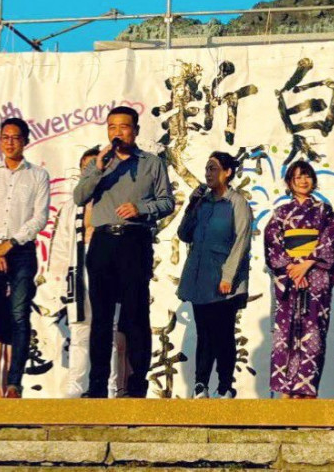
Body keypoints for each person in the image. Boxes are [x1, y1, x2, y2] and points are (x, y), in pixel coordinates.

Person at [73, 106, 174, 398]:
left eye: (124, 127)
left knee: (135, 315)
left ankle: (136, 386)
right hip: (103, 243)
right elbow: (80, 197)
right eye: (112, 127)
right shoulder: (99, 164)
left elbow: (167, 202)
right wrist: (99, 169)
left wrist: (140, 209)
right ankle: (96, 387)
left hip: (134, 241)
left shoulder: (151, 163)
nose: (118, 133)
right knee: (101, 318)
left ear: (136, 130)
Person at [0, 117, 50, 398]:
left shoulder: (38, 175)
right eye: (5, 137)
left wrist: (11, 243)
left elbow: (40, 216)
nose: (10, 142)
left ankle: (14, 383)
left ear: (26, 141)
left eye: (16, 137)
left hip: (22, 252)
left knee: (19, 316)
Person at [49, 147, 125, 398]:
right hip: (78, 270)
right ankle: (76, 385)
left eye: (95, 166)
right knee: (80, 330)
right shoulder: (72, 207)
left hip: (108, 269)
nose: (90, 172)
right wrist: (58, 283)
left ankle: (110, 387)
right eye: (85, 168)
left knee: (109, 331)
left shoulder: (113, 200)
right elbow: (60, 246)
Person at [177, 151, 253, 399]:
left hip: (223, 280)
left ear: (227, 172)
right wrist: (191, 204)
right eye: (207, 169)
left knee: (223, 333)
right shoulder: (202, 202)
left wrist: (228, 276)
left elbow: (241, 241)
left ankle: (225, 385)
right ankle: (201, 384)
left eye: (213, 168)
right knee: (204, 332)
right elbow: (184, 234)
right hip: (200, 277)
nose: (208, 174)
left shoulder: (236, 203)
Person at [264, 160, 334, 399]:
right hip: (289, 277)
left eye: (307, 176)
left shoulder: (324, 211)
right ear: (290, 182)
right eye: (297, 177)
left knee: (313, 332)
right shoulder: (281, 213)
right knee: (284, 332)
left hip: (315, 275)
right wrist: (291, 267)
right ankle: (285, 389)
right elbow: (272, 243)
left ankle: (307, 389)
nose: (303, 181)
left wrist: (308, 263)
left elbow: (331, 238)